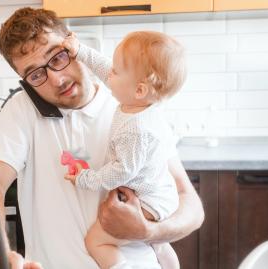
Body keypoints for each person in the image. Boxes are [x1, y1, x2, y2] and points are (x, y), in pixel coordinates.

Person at [0, 7, 204, 269]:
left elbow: (190, 204)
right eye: (36, 74)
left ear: (72, 43)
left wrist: (147, 231)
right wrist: (0, 252)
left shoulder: (134, 106)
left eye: (58, 57)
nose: (56, 79)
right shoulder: (22, 109)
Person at [62, 31, 185, 269]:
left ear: (139, 89)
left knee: (96, 241)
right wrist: (80, 51)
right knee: (157, 243)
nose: (109, 74)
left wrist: (86, 178)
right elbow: (104, 68)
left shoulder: (135, 129)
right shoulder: (139, 102)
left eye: (116, 71)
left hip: (149, 201)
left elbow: (121, 172)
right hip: (160, 192)